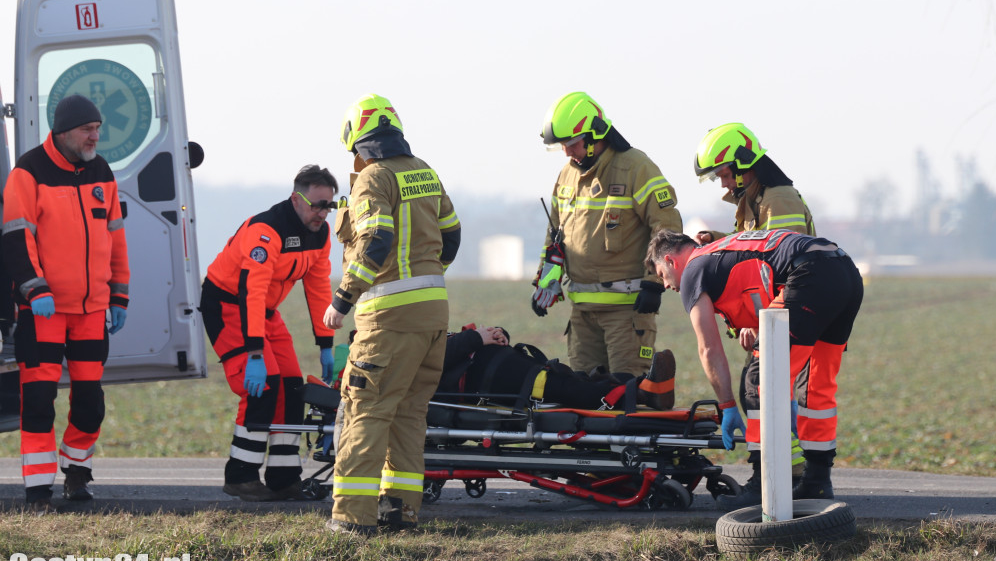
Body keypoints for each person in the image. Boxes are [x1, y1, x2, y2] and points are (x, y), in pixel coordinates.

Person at [645, 228, 863, 510]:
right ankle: (817, 482)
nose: (665, 285)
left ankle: (763, 483)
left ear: (671, 261)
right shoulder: (720, 251)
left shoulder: (692, 271)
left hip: (810, 275)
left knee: (760, 380)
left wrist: (727, 406)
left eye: (662, 275)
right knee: (815, 383)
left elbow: (709, 349)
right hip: (843, 269)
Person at [323, 93, 461, 536]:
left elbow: (376, 240)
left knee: (365, 411)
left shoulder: (372, 179)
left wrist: (343, 298)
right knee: (408, 416)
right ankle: (398, 513)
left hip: (387, 320)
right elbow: (452, 237)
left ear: (357, 144)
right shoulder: (425, 172)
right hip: (433, 318)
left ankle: (350, 519)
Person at [2, 94, 130, 513]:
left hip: (92, 310)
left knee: (90, 402)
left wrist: (120, 294)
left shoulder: (102, 171)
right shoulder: (28, 171)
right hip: (44, 311)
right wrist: (34, 289)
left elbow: (116, 238)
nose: (95, 136)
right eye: (87, 130)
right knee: (38, 402)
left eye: (97, 129)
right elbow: (16, 236)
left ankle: (76, 472)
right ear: (62, 132)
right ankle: (38, 492)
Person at [531, 91, 682, 406]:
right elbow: (555, 235)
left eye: (571, 143)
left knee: (630, 397)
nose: (566, 152)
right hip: (582, 313)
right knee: (583, 399)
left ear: (593, 135)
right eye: (561, 145)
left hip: (626, 313)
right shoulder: (567, 175)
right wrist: (546, 281)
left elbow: (665, 225)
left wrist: (655, 282)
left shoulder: (635, 167)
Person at [692, 122, 817, 497]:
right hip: (775, 317)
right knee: (763, 391)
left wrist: (763, 323)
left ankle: (780, 476)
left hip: (790, 314)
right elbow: (755, 251)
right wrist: (719, 242)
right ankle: (789, 475)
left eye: (725, 174)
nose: (723, 184)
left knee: (758, 389)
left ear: (744, 163)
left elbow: (787, 267)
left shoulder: (778, 201)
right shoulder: (756, 201)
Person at [200, 165, 338, 502]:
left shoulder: (320, 235)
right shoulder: (267, 230)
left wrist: (325, 343)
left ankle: (283, 478)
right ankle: (241, 476)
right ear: (296, 198)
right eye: (317, 204)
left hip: (265, 311)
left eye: (329, 206)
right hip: (229, 306)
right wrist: (256, 354)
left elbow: (319, 288)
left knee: (292, 387)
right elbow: (252, 291)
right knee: (262, 384)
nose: (323, 213)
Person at [438, 326, 676, 410]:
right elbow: (431, 356)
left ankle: (643, 385)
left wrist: (495, 334)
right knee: (562, 387)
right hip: (480, 379)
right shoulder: (403, 343)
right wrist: (476, 338)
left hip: (488, 364)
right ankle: (643, 392)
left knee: (568, 378)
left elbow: (445, 343)